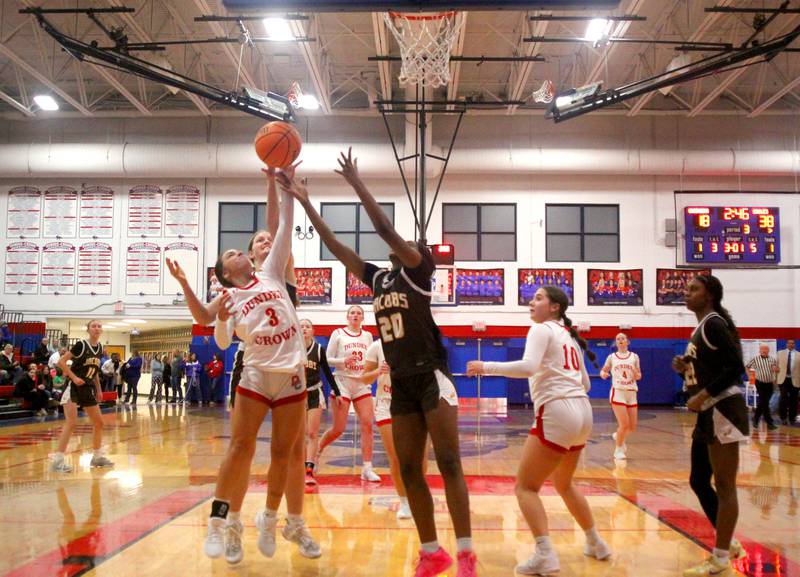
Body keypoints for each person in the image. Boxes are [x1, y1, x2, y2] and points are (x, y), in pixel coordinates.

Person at [278, 149, 478, 577]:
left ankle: (466, 554)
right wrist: (306, 202)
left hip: (431, 375)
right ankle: (432, 552)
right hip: (400, 381)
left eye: (412, 245)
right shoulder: (379, 278)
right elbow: (337, 247)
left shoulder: (417, 272)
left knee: (449, 462)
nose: (404, 245)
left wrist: (356, 182)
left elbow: (386, 230)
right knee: (408, 468)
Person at [169, 182, 319, 565]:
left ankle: (273, 519)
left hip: (291, 373)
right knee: (240, 449)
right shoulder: (229, 297)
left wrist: (281, 183)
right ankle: (222, 522)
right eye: (232, 252)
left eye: (242, 249)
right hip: (254, 372)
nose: (239, 251)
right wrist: (186, 285)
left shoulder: (273, 272)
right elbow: (205, 320)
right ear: (226, 272)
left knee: (286, 452)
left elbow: (281, 225)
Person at [466, 286, 610, 574]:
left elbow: (529, 367)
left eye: (539, 298)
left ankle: (545, 554)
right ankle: (596, 542)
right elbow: (586, 383)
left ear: (555, 307)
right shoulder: (569, 335)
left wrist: (485, 366)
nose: (531, 302)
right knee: (564, 484)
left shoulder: (541, 329)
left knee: (525, 487)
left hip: (558, 410)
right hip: (583, 411)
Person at [671, 274, 749, 577]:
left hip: (723, 409)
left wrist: (703, 394)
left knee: (725, 485)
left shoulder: (714, 323)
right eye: (687, 289)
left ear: (710, 295)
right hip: (709, 411)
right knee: (698, 480)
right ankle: (729, 544)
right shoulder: (701, 328)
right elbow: (710, 370)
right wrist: (685, 370)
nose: (686, 293)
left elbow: (735, 367)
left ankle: (720, 557)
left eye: (694, 289)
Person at [363, 337, 429, 520]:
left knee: (420, 458)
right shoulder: (377, 346)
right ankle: (405, 502)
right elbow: (364, 378)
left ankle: (416, 496)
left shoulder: (420, 343)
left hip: (415, 403)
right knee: (397, 458)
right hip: (387, 403)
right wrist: (378, 371)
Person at [315, 305, 379, 482]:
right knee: (338, 429)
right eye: (352, 313)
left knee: (368, 424)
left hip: (361, 383)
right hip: (342, 382)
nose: (355, 315)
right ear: (347, 316)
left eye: (359, 313)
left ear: (363, 317)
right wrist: (344, 360)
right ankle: (317, 451)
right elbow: (327, 360)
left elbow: (371, 360)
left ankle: (367, 468)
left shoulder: (368, 336)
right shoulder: (338, 333)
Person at [51, 320, 114, 472]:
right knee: (71, 423)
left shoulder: (100, 348)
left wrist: (99, 389)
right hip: (72, 387)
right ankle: (58, 461)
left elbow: (95, 370)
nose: (97, 328)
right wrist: (74, 378)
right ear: (88, 329)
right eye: (94, 326)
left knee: (99, 423)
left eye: (99, 326)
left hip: (87, 388)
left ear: (101, 330)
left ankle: (97, 457)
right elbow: (61, 362)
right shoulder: (81, 345)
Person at [299, 318, 338, 486]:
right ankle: (299, 466)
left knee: (312, 433)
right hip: (296, 394)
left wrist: (337, 392)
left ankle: (309, 468)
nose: (304, 329)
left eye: (307, 326)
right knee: (299, 434)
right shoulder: (292, 349)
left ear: (313, 331)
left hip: (315, 392)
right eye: (301, 326)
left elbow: (328, 373)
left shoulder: (319, 349)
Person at [600, 333, 642, 460]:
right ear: (616, 343)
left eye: (622, 338)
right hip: (618, 392)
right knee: (624, 425)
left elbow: (639, 376)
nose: (620, 340)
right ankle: (618, 450)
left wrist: (636, 374)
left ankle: (618, 435)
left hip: (631, 392)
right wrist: (603, 374)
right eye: (618, 339)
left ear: (627, 341)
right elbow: (603, 370)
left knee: (632, 427)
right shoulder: (611, 357)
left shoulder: (634, 357)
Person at [746, 343, 779, 431]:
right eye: (762, 349)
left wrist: (776, 370)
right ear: (759, 350)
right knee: (764, 403)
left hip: (770, 383)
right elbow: (747, 367)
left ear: (768, 350)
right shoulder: (755, 359)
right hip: (760, 383)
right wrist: (750, 376)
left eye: (766, 349)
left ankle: (755, 418)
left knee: (763, 402)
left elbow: (776, 370)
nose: (764, 351)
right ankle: (769, 422)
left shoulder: (772, 359)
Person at [777, 339, 799, 426]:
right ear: (786, 344)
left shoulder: (799, 354)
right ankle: (783, 417)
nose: (791, 344)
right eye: (789, 343)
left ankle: (792, 418)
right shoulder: (780, 353)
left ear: (794, 344)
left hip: (795, 380)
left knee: (794, 400)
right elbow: (775, 365)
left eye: (792, 343)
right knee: (783, 399)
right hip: (783, 379)